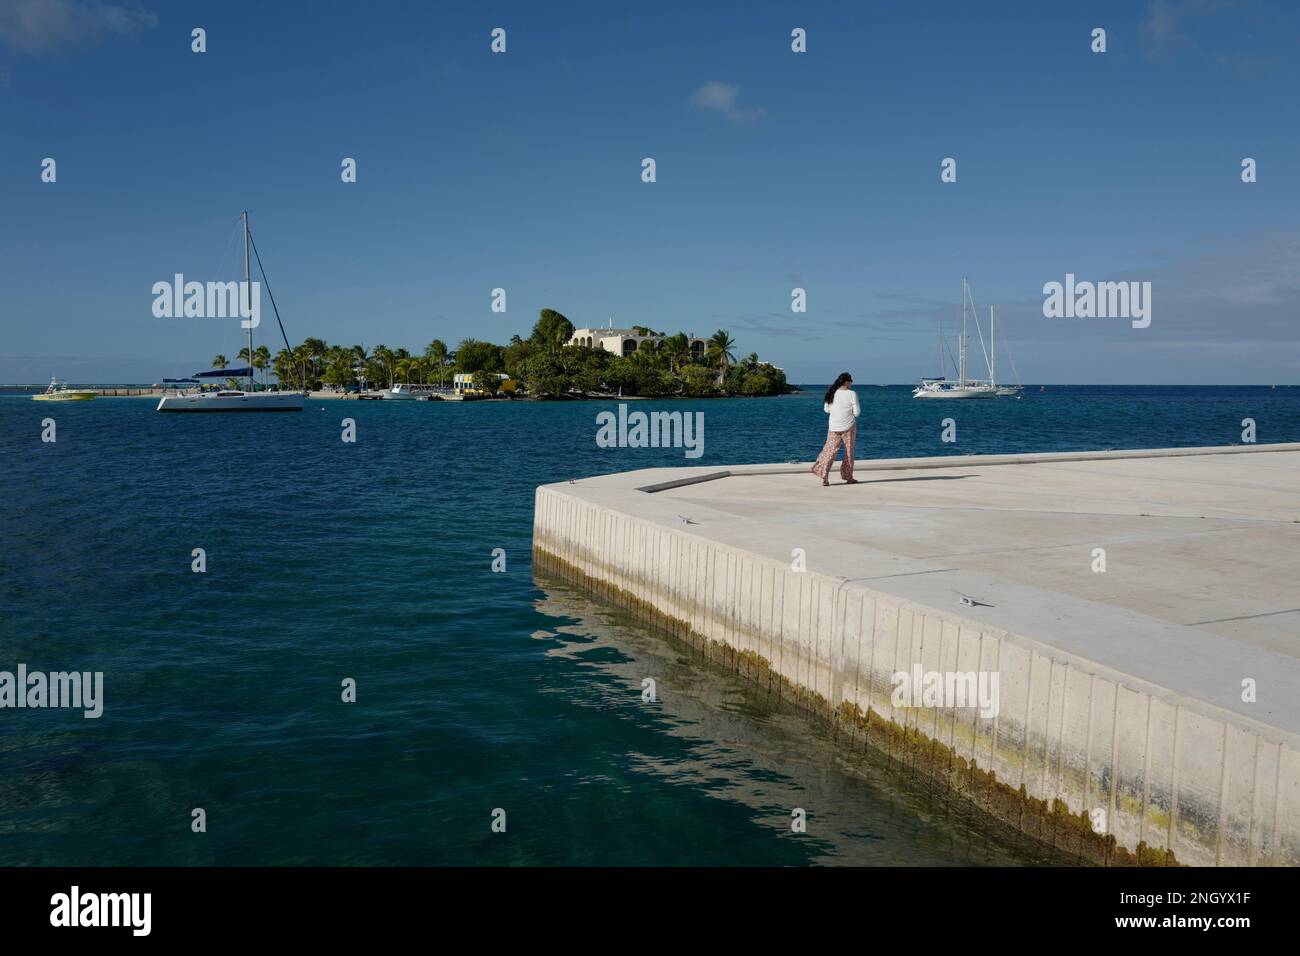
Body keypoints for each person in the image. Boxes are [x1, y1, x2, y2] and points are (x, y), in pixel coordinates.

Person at [811, 372, 859, 486]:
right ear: (847, 382)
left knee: (830, 451)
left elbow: (826, 410)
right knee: (849, 452)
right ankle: (848, 477)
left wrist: (838, 410)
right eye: (851, 381)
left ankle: (824, 477)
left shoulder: (831, 392)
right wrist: (848, 411)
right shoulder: (852, 394)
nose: (852, 383)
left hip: (833, 427)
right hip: (848, 427)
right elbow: (857, 413)